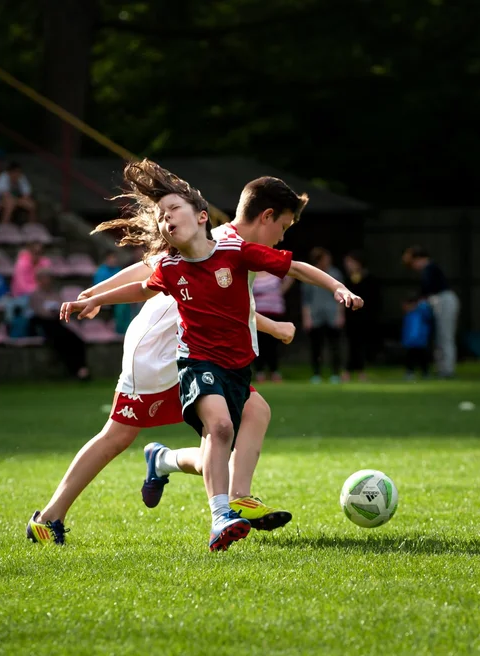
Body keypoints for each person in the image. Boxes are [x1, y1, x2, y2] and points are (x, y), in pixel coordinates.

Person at [57, 160, 362, 552]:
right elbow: (148, 273)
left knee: (242, 422)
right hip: (157, 353)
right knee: (123, 436)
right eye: (283, 227)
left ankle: (221, 494)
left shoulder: (233, 249)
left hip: (208, 355)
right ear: (267, 216)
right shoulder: (210, 239)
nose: (283, 237)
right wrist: (94, 295)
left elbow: (230, 305)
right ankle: (50, 516)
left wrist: (271, 327)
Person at [403, 245, 460, 378]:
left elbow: (427, 289)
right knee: (440, 337)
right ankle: (442, 368)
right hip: (437, 302)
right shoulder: (428, 270)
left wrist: (414, 302)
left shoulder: (430, 268)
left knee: (445, 336)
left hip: (444, 300)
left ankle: (447, 370)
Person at [30, 268, 90, 381]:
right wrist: (49, 313)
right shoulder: (36, 295)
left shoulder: (55, 293)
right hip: (45, 324)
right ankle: (76, 370)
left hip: (58, 322)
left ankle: (83, 368)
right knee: (62, 343)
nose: (47, 281)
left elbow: (62, 306)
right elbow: (39, 311)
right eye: (44, 278)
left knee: (77, 341)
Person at [302, 247, 346, 384]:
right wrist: (307, 318)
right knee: (316, 347)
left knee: (335, 346)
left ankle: (335, 374)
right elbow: (306, 300)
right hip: (316, 315)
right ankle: (316, 374)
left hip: (332, 314)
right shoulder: (309, 274)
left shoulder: (335, 273)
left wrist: (340, 315)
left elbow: (341, 296)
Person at [341, 250, 380, 382]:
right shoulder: (346, 280)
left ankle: (360, 371)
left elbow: (375, 300)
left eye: (351, 262)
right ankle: (347, 371)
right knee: (350, 345)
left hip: (364, 317)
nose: (348, 265)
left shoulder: (369, 279)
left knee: (361, 345)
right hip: (350, 317)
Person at [251, 271, 293, 382]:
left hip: (275, 312)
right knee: (259, 344)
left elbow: (290, 276)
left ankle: (274, 371)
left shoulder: (273, 272)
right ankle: (259, 372)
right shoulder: (252, 273)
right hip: (258, 314)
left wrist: (280, 291)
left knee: (273, 344)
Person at [92, 250, 133, 333]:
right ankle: (119, 330)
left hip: (118, 295)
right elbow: (98, 287)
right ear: (106, 259)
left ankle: (125, 329)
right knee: (121, 306)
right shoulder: (101, 271)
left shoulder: (118, 270)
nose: (114, 260)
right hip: (106, 296)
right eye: (111, 258)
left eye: (115, 258)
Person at [401, 295, 434, 380]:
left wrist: (422, 304)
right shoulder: (408, 315)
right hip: (410, 342)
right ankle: (410, 372)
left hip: (420, 341)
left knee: (423, 358)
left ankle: (425, 373)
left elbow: (428, 314)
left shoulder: (421, 312)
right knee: (410, 358)